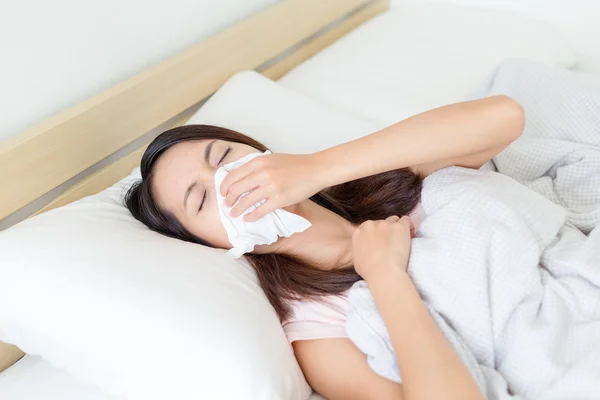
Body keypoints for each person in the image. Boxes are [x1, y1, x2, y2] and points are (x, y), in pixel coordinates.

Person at [125, 95, 525, 400]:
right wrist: (384, 275)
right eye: (202, 200)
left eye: (225, 156)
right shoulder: (316, 333)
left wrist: (318, 168)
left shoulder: (379, 181)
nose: (230, 181)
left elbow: (505, 117)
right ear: (208, 245)